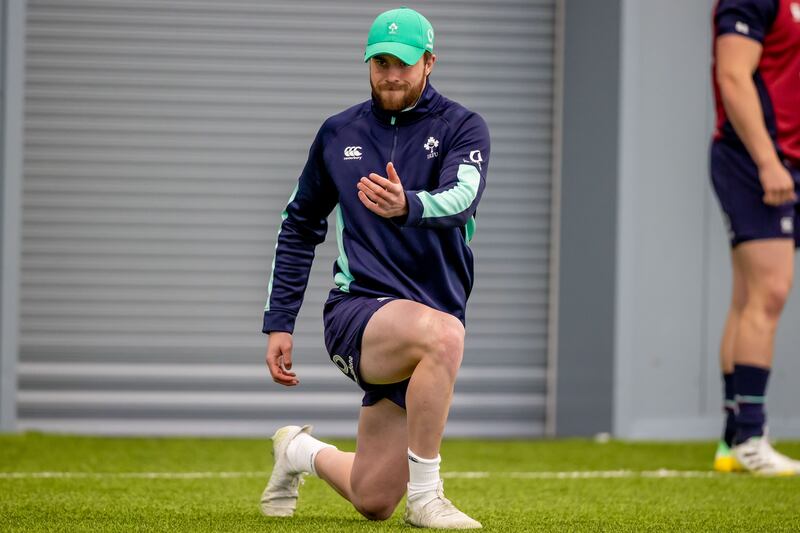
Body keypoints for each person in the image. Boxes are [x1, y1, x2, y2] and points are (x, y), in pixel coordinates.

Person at [259, 7, 489, 528]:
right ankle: (428, 498)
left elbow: (463, 198)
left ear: (429, 63)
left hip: (425, 325)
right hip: (357, 313)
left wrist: (408, 204)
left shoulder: (463, 128)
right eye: (380, 62)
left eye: (403, 63)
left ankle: (298, 451)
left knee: (372, 497)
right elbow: (298, 225)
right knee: (446, 337)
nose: (390, 74)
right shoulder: (338, 133)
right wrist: (279, 321)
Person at [710, 0, 800, 476]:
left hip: (787, 158)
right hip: (756, 158)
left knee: (748, 297)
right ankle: (751, 437)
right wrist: (767, 161)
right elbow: (733, 76)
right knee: (769, 292)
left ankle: (733, 439)